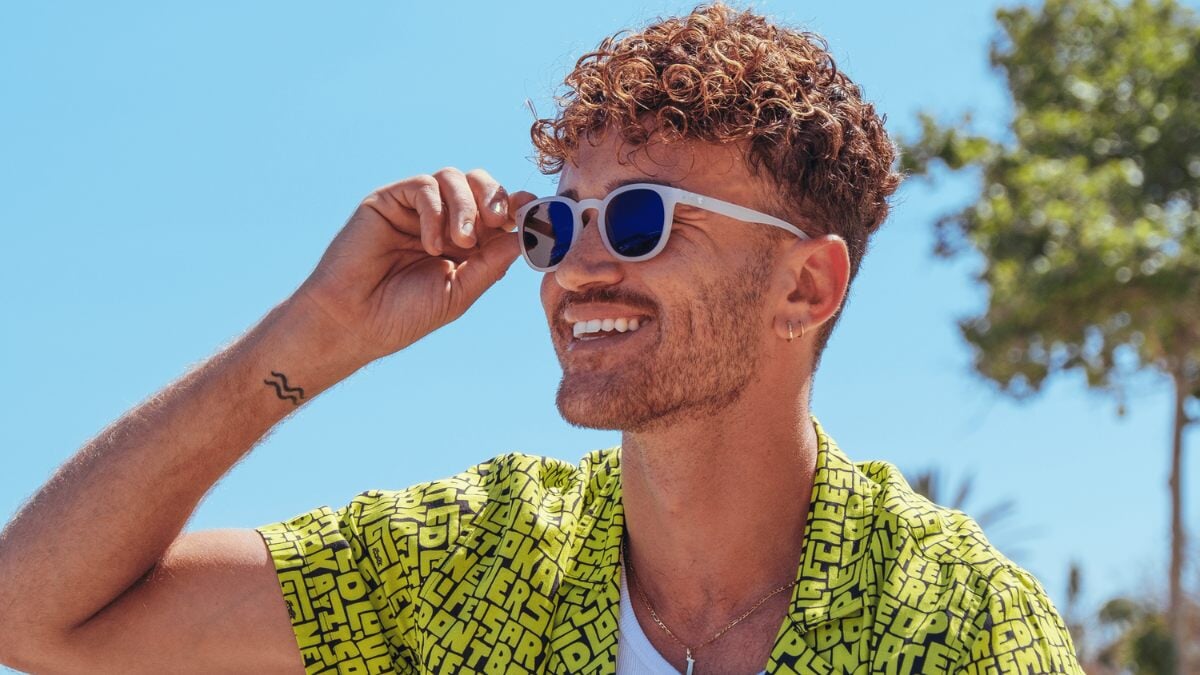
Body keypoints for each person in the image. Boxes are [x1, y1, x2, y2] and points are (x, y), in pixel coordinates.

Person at [0, 3, 1083, 674]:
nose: (579, 265)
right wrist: (313, 340)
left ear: (807, 285)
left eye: (644, 217)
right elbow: (36, 619)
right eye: (555, 222)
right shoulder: (483, 563)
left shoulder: (960, 627)